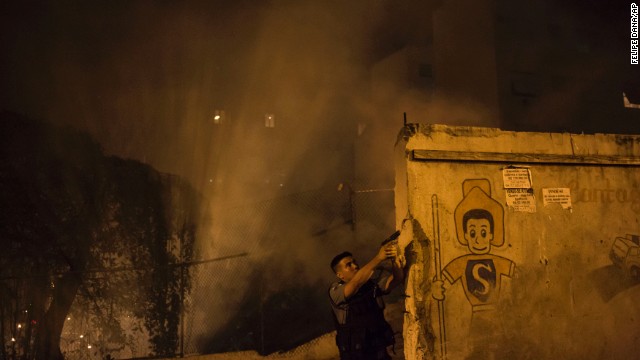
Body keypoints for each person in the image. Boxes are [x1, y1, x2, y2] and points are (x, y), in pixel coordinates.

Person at [328, 234, 407, 360]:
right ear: (340, 275)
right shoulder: (335, 291)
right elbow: (355, 284)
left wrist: (394, 258)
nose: (355, 266)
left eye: (354, 262)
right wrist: (379, 258)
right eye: (348, 265)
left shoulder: (369, 285)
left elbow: (396, 279)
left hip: (378, 352)